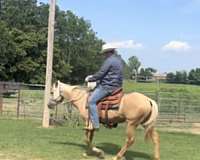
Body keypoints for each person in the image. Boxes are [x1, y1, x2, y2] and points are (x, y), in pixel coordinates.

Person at [85, 44, 124, 130]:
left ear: (108, 52)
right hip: (117, 86)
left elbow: (101, 73)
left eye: (104, 53)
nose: (104, 55)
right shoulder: (119, 60)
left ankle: (95, 124)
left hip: (107, 87)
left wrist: (90, 79)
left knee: (91, 101)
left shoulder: (109, 61)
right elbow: (110, 75)